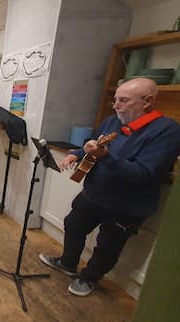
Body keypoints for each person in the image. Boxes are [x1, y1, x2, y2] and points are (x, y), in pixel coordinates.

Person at [39, 78, 180, 296]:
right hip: (93, 194)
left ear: (147, 101)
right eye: (115, 100)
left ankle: (89, 278)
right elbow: (93, 142)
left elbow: (145, 173)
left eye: (123, 100)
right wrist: (75, 154)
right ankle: (67, 263)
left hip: (127, 205)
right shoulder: (112, 121)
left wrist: (106, 157)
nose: (116, 105)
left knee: (107, 245)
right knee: (74, 224)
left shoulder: (167, 131)